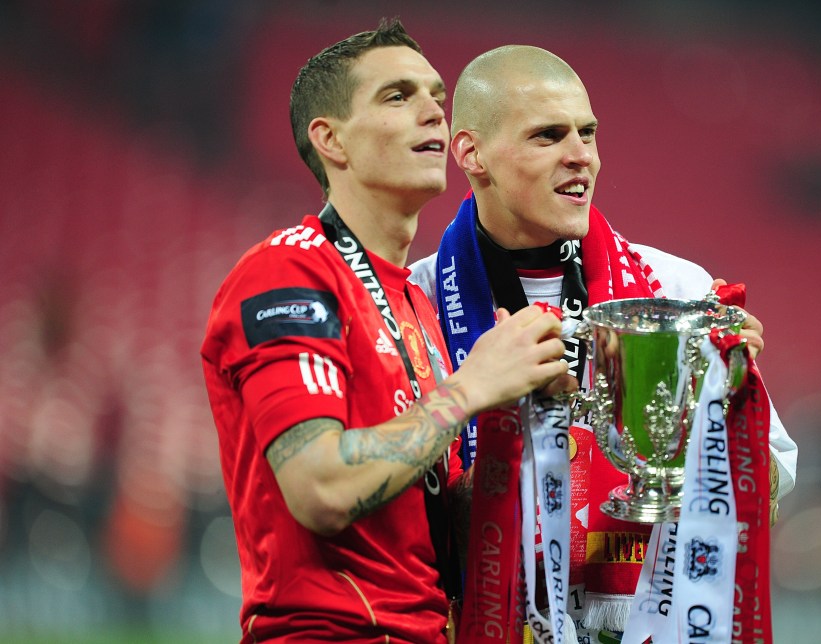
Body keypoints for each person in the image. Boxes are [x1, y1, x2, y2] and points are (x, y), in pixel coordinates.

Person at [408, 44, 799, 642]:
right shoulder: (420, 302)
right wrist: (508, 424)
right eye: (548, 136)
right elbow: (416, 533)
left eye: (587, 134)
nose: (581, 157)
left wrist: (723, 414)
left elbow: (759, 502)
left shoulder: (676, 291)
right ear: (471, 153)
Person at [200, 22, 573, 643]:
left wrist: (527, 421)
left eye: (436, 94)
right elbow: (321, 485)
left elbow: (434, 522)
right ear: (331, 140)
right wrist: (473, 386)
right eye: (398, 96)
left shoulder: (417, 304)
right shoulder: (289, 269)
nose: (432, 109)